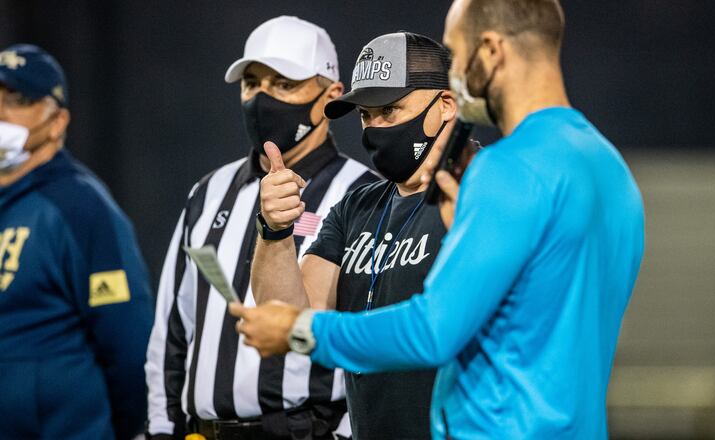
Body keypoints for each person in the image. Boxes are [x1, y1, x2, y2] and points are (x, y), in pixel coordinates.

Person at [231, 0, 646, 438]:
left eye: (457, 49)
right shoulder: (612, 170)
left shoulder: (505, 169)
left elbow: (434, 330)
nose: (457, 70)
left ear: (489, 51)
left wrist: (303, 330)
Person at [144, 16, 376, 440]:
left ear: (332, 95)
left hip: (308, 429)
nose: (262, 98)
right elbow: (173, 330)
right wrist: (162, 431)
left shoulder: (364, 194)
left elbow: (375, 338)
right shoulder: (210, 191)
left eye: (284, 83)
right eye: (252, 83)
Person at [244, 32, 458, 439]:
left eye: (389, 110)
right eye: (365, 114)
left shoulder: (480, 193)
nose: (375, 128)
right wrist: (274, 229)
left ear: (445, 106)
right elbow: (293, 316)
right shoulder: (356, 207)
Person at [0, 44, 152, 439]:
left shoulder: (80, 207)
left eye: (16, 100)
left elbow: (129, 345)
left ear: (57, 121)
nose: (1, 112)